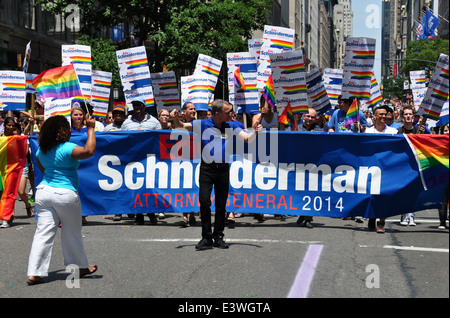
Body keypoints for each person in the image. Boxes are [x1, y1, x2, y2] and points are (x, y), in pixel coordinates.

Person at [170, 99, 262, 250]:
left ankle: (218, 236)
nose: (232, 114)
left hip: (223, 169)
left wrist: (256, 133)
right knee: (205, 202)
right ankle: (206, 237)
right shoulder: (202, 124)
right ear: (217, 114)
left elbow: (247, 139)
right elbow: (181, 126)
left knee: (221, 205)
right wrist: (175, 118)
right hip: (207, 169)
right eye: (228, 112)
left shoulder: (231, 125)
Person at [26, 115, 98, 285]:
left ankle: (35, 273)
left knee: (43, 233)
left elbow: (44, 170)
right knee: (71, 231)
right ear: (64, 131)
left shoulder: (40, 150)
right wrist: (91, 128)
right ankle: (79, 267)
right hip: (64, 193)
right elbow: (89, 151)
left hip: (44, 192)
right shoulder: (67, 148)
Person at [329, 97, 369, 224]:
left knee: (354, 181)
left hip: (354, 152)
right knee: (340, 181)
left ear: (348, 104)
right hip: (339, 151)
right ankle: (343, 209)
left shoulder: (358, 113)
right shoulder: (336, 113)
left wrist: (360, 128)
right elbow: (330, 127)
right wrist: (331, 135)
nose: (339, 105)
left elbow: (366, 129)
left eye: (341, 103)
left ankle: (357, 210)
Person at [121, 97, 161, 225]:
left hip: (149, 159)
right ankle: (139, 214)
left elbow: (160, 139)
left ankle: (151, 213)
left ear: (144, 107)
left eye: (139, 105)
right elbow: (121, 141)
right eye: (135, 105)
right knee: (136, 186)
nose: (137, 107)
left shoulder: (154, 122)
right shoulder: (126, 123)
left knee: (149, 187)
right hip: (133, 160)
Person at [365, 105, 397, 233]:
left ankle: (381, 222)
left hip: (387, 168)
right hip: (371, 168)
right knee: (371, 194)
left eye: (385, 114)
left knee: (384, 195)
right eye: (380, 114)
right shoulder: (367, 132)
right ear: (374, 116)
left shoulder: (393, 132)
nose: (383, 116)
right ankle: (372, 217)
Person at [397, 106, 423, 226]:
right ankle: (403, 215)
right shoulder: (399, 131)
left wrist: (423, 135)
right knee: (403, 191)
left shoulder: (419, 130)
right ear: (402, 116)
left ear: (413, 116)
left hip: (416, 165)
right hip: (403, 165)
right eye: (406, 114)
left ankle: (412, 216)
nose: (408, 116)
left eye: (410, 114)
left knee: (414, 191)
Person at [178, 102, 198, 227]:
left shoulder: (200, 124)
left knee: (194, 187)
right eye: (191, 109)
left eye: (194, 109)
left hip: (197, 159)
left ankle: (192, 214)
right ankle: (185, 216)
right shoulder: (178, 126)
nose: (194, 111)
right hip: (183, 160)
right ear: (184, 112)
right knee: (184, 187)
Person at [438, 123, 449, 230]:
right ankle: (442, 221)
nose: (447, 132)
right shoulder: (437, 143)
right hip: (442, 175)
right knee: (443, 199)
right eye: (445, 130)